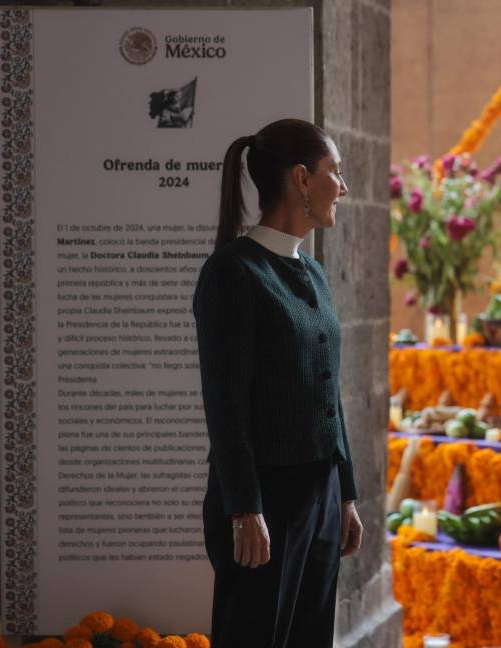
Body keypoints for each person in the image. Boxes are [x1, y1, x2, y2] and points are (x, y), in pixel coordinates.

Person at [192, 119, 362, 647]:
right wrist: (244, 507)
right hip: (264, 499)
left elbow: (328, 389)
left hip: (322, 493)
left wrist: (347, 494)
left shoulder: (313, 272)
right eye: (335, 171)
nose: (344, 185)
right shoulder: (232, 272)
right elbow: (225, 404)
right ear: (302, 179)